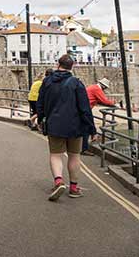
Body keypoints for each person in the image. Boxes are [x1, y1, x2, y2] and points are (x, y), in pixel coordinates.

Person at [36, 55, 96, 201]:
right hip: (75, 126)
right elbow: (85, 108)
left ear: (58, 65)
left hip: (54, 125)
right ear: (72, 66)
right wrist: (92, 129)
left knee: (56, 155)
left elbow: (40, 103)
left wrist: (40, 119)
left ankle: (58, 181)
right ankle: (74, 188)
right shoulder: (76, 83)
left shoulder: (47, 82)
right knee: (74, 156)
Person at [81, 78, 118, 155]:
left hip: (83, 108)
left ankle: (91, 138)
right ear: (104, 86)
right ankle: (90, 141)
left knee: (86, 127)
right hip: (86, 109)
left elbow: (99, 100)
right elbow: (104, 100)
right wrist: (114, 104)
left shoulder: (93, 87)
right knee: (88, 127)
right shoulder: (97, 89)